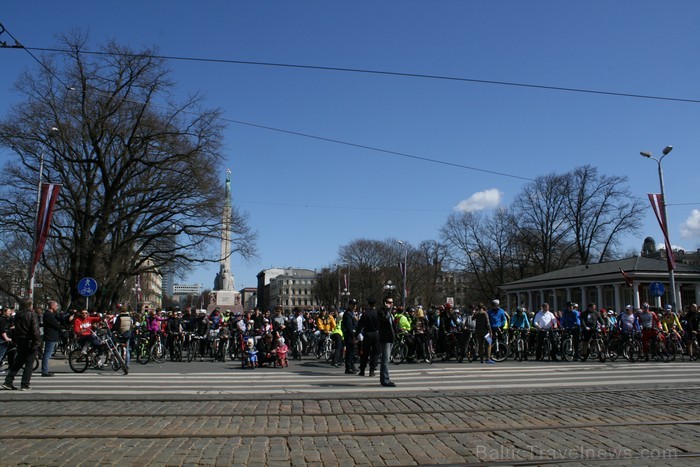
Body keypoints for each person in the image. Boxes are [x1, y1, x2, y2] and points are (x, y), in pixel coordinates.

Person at [3, 299, 41, 391]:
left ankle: (8, 381)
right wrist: (37, 341)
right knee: (29, 363)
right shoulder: (32, 315)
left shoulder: (18, 315)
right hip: (30, 341)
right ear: (30, 306)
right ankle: (25, 384)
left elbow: (14, 329)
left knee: (18, 362)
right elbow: (35, 330)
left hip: (20, 341)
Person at [356, 297, 380, 377]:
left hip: (367, 334)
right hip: (376, 334)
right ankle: (372, 370)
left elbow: (360, 325)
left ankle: (362, 369)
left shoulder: (365, 313)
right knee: (375, 352)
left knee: (365, 352)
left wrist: (357, 334)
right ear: (375, 304)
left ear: (368, 304)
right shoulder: (378, 313)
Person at [378, 297, 396, 387]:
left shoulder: (389, 312)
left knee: (387, 359)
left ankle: (385, 378)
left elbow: (392, 325)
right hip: (385, 338)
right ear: (385, 303)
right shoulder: (382, 311)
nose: (391, 304)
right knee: (385, 360)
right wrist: (388, 311)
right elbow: (384, 321)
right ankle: (385, 379)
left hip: (390, 338)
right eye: (389, 302)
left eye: (392, 302)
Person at [41, 300, 63, 377]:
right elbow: (56, 325)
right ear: (52, 306)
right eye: (56, 306)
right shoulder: (48, 315)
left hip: (51, 335)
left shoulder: (51, 314)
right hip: (50, 336)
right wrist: (60, 326)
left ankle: (45, 370)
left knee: (48, 353)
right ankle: (45, 370)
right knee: (47, 353)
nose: (57, 308)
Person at [341, 299, 359, 374]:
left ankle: (351, 366)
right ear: (349, 305)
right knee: (349, 352)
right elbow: (349, 327)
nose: (355, 306)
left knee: (351, 351)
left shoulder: (352, 313)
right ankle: (349, 367)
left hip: (352, 334)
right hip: (349, 335)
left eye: (355, 304)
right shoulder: (347, 314)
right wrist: (354, 335)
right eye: (353, 304)